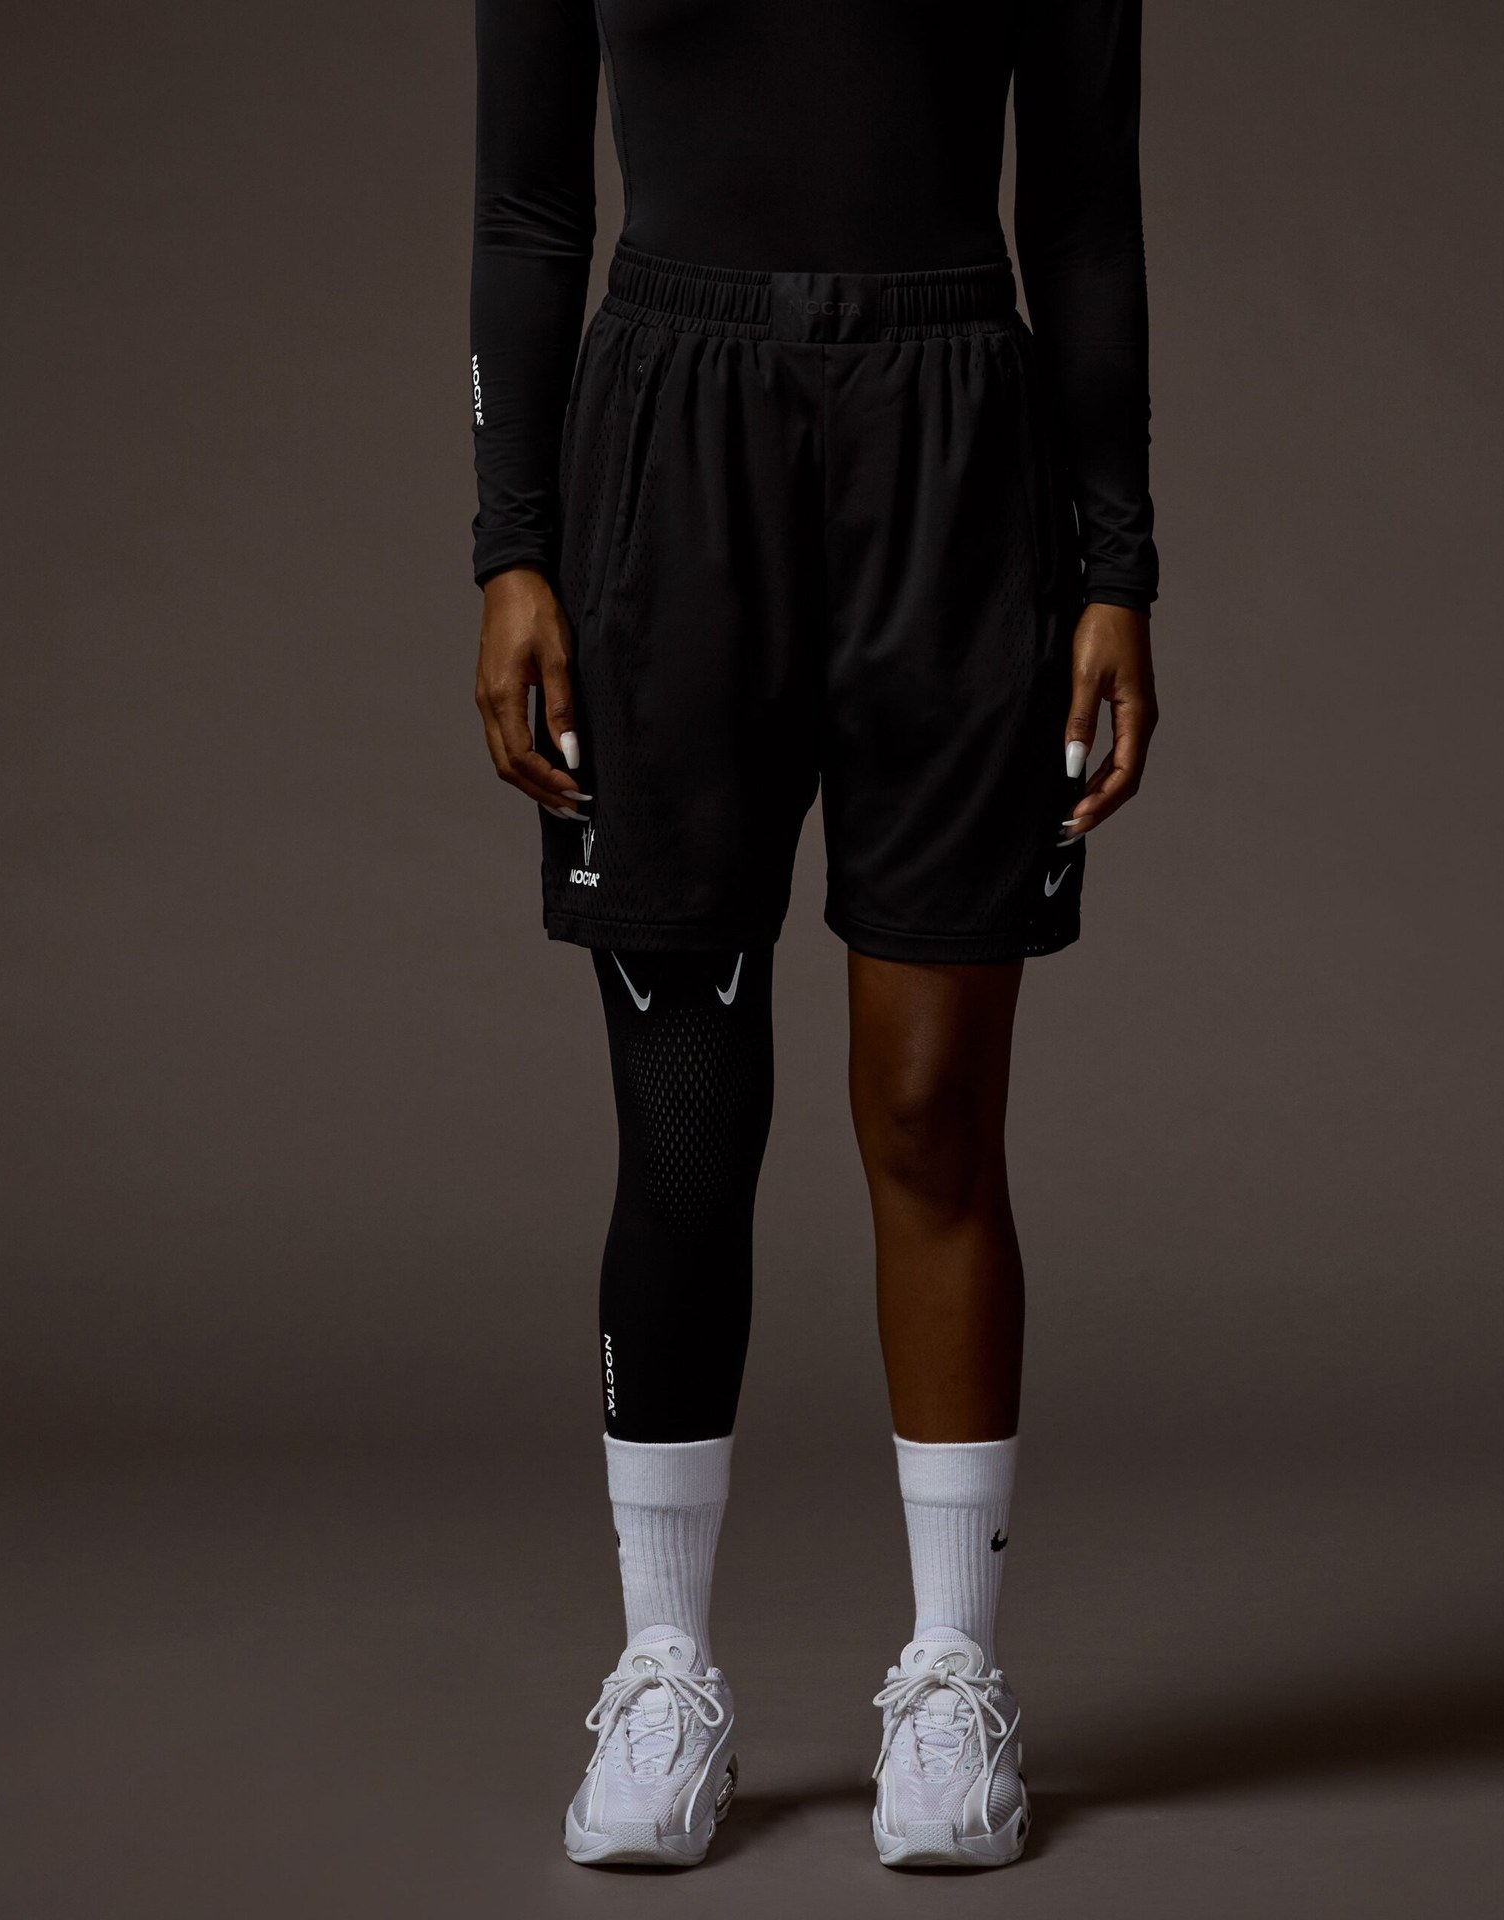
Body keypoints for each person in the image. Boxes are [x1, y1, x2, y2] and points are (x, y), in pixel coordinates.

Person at [469, 0, 1158, 1871]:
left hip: (954, 452)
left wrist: (1117, 561)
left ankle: (952, 1674)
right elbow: (530, 206)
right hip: (669, 452)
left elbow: (1083, 212)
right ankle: (663, 1668)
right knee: (686, 1131)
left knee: (932, 1112)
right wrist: (511, 546)